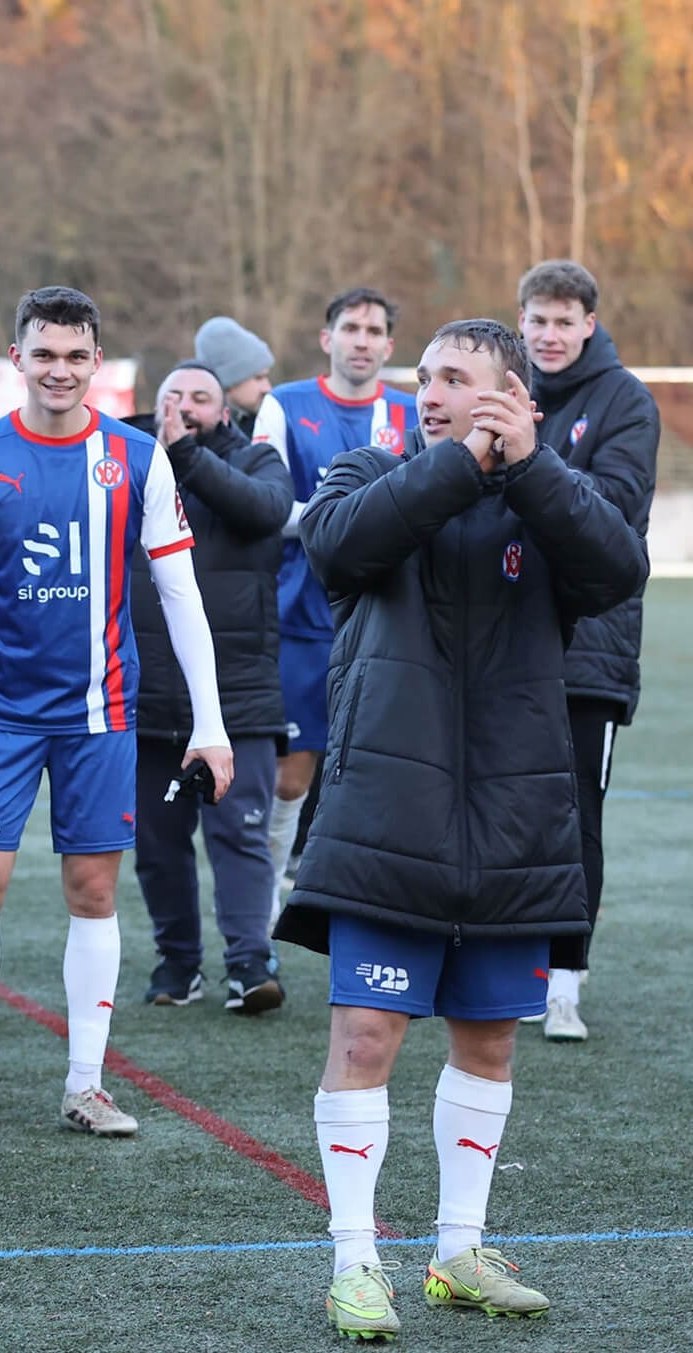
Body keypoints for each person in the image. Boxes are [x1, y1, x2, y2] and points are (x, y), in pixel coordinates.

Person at [275, 319, 647, 1339]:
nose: (430, 393)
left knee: (489, 1040)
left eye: (457, 379)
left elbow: (616, 571)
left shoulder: (550, 496)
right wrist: (462, 462)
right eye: (426, 377)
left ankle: (457, 1251)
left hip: (514, 821)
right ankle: (355, 1262)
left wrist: (528, 466)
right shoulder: (368, 473)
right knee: (365, 1035)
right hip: (386, 814)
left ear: (515, 399)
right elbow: (339, 546)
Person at [0, 286, 232, 1137]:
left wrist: (210, 722)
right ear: (17, 357)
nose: (59, 370)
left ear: (97, 362)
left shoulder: (137, 458)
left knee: (93, 890)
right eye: (44, 354)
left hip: (101, 711)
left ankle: (85, 1084)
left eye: (75, 355)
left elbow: (181, 593)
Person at [517, 260, 659, 1042]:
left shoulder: (625, 399)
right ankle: (505, 966)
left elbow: (615, 508)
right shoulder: (503, 384)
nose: (549, 335)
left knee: (576, 816)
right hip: (502, 632)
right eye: (537, 320)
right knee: (501, 807)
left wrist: (524, 463)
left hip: (589, 648)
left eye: (563, 321)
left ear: (589, 325)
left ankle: (564, 980)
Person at [130, 362, 292, 1011]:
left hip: (239, 694)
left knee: (240, 836)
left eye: (201, 397)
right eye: (173, 395)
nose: (185, 407)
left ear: (225, 411)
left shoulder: (256, 460)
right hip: (146, 695)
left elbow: (265, 512)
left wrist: (186, 456)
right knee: (156, 845)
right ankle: (178, 963)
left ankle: (250, 962)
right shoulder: (126, 459)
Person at [252, 288, 416, 921]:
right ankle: (264, 902)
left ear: (389, 345)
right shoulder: (284, 405)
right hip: (300, 619)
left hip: (387, 623)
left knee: (387, 772)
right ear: (328, 338)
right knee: (290, 777)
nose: (362, 341)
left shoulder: (413, 411)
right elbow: (266, 507)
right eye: (351, 328)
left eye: (374, 331)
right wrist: (350, 519)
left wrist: (346, 520)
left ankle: (378, 903)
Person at [194, 316, 275, 436]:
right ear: (228, 383)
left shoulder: (269, 425)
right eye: (258, 378)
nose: (267, 388)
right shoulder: (198, 435)